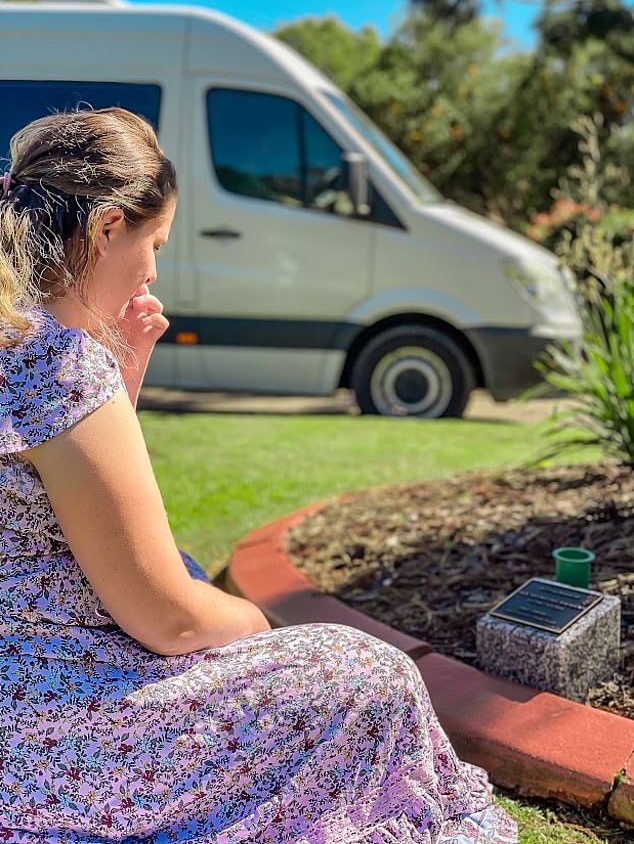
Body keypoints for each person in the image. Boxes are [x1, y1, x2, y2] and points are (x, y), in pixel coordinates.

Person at [0, 107, 517, 844]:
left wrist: (124, 381)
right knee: (368, 671)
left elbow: (54, 514)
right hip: (51, 744)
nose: (152, 272)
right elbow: (168, 618)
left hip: (23, 706)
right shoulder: (59, 364)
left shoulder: (19, 339)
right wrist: (258, 628)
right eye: (156, 244)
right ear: (110, 228)